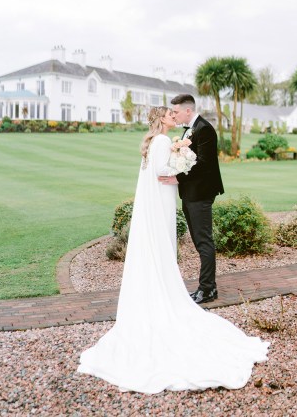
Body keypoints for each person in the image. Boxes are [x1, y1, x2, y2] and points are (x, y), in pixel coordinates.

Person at [78, 106, 269, 394]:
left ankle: (166, 287)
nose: (173, 116)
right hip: (163, 198)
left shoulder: (153, 141)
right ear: (161, 120)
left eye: (175, 112)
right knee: (165, 248)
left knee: (163, 249)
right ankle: (169, 293)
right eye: (169, 114)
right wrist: (182, 161)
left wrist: (180, 157)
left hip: (159, 199)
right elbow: (162, 171)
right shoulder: (164, 141)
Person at [159, 94, 223, 304]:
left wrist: (177, 177)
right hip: (190, 193)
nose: (174, 115)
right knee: (199, 241)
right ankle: (207, 287)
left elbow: (204, 165)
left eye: (175, 111)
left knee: (204, 242)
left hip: (201, 194)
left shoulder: (204, 129)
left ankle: (207, 290)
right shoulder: (190, 130)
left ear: (188, 110)